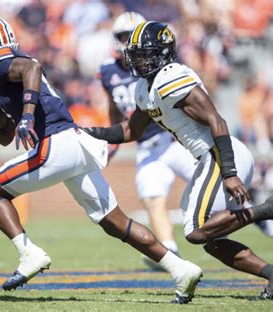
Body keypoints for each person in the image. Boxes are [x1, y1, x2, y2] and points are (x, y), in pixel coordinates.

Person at [0, 16, 202, 304]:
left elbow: (32, 67)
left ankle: (29, 253)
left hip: (58, 144)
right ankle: (181, 269)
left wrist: (27, 115)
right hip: (73, 144)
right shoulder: (7, 78)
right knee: (115, 222)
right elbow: (6, 136)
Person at [85, 21, 273, 300]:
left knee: (195, 231)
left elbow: (216, 119)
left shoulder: (171, 77)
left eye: (146, 54)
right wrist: (90, 132)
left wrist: (229, 173)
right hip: (208, 158)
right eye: (136, 54)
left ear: (163, 54)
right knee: (210, 241)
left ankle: (269, 208)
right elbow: (131, 130)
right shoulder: (143, 88)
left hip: (219, 153)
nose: (139, 61)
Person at [98, 12, 196, 269]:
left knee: (215, 189)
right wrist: (113, 141)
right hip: (146, 143)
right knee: (152, 195)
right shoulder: (107, 70)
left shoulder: (157, 63)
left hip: (174, 138)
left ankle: (254, 210)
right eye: (123, 37)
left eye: (132, 36)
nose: (128, 42)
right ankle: (170, 251)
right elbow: (113, 106)